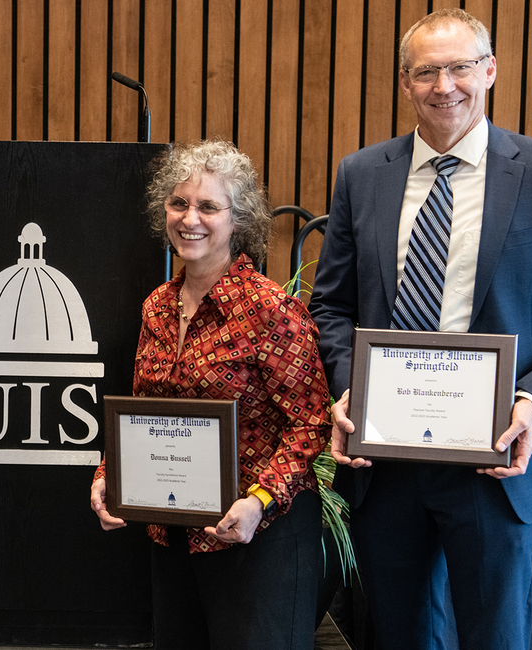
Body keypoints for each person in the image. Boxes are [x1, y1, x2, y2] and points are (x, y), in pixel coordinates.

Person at [309, 9, 532, 649]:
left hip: (495, 460)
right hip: (388, 461)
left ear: (489, 71)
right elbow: (330, 306)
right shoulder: (362, 174)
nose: (445, 86)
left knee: (495, 636)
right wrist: (355, 390)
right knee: (401, 635)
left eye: (460, 67)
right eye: (427, 72)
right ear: (405, 83)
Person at [90, 140, 331, 649]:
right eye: (179, 204)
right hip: (173, 529)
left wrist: (259, 501)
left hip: (258, 535)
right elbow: (143, 414)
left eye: (208, 206)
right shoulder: (157, 306)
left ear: (237, 219)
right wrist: (109, 474)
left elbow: (311, 423)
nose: (189, 218)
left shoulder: (272, 310)